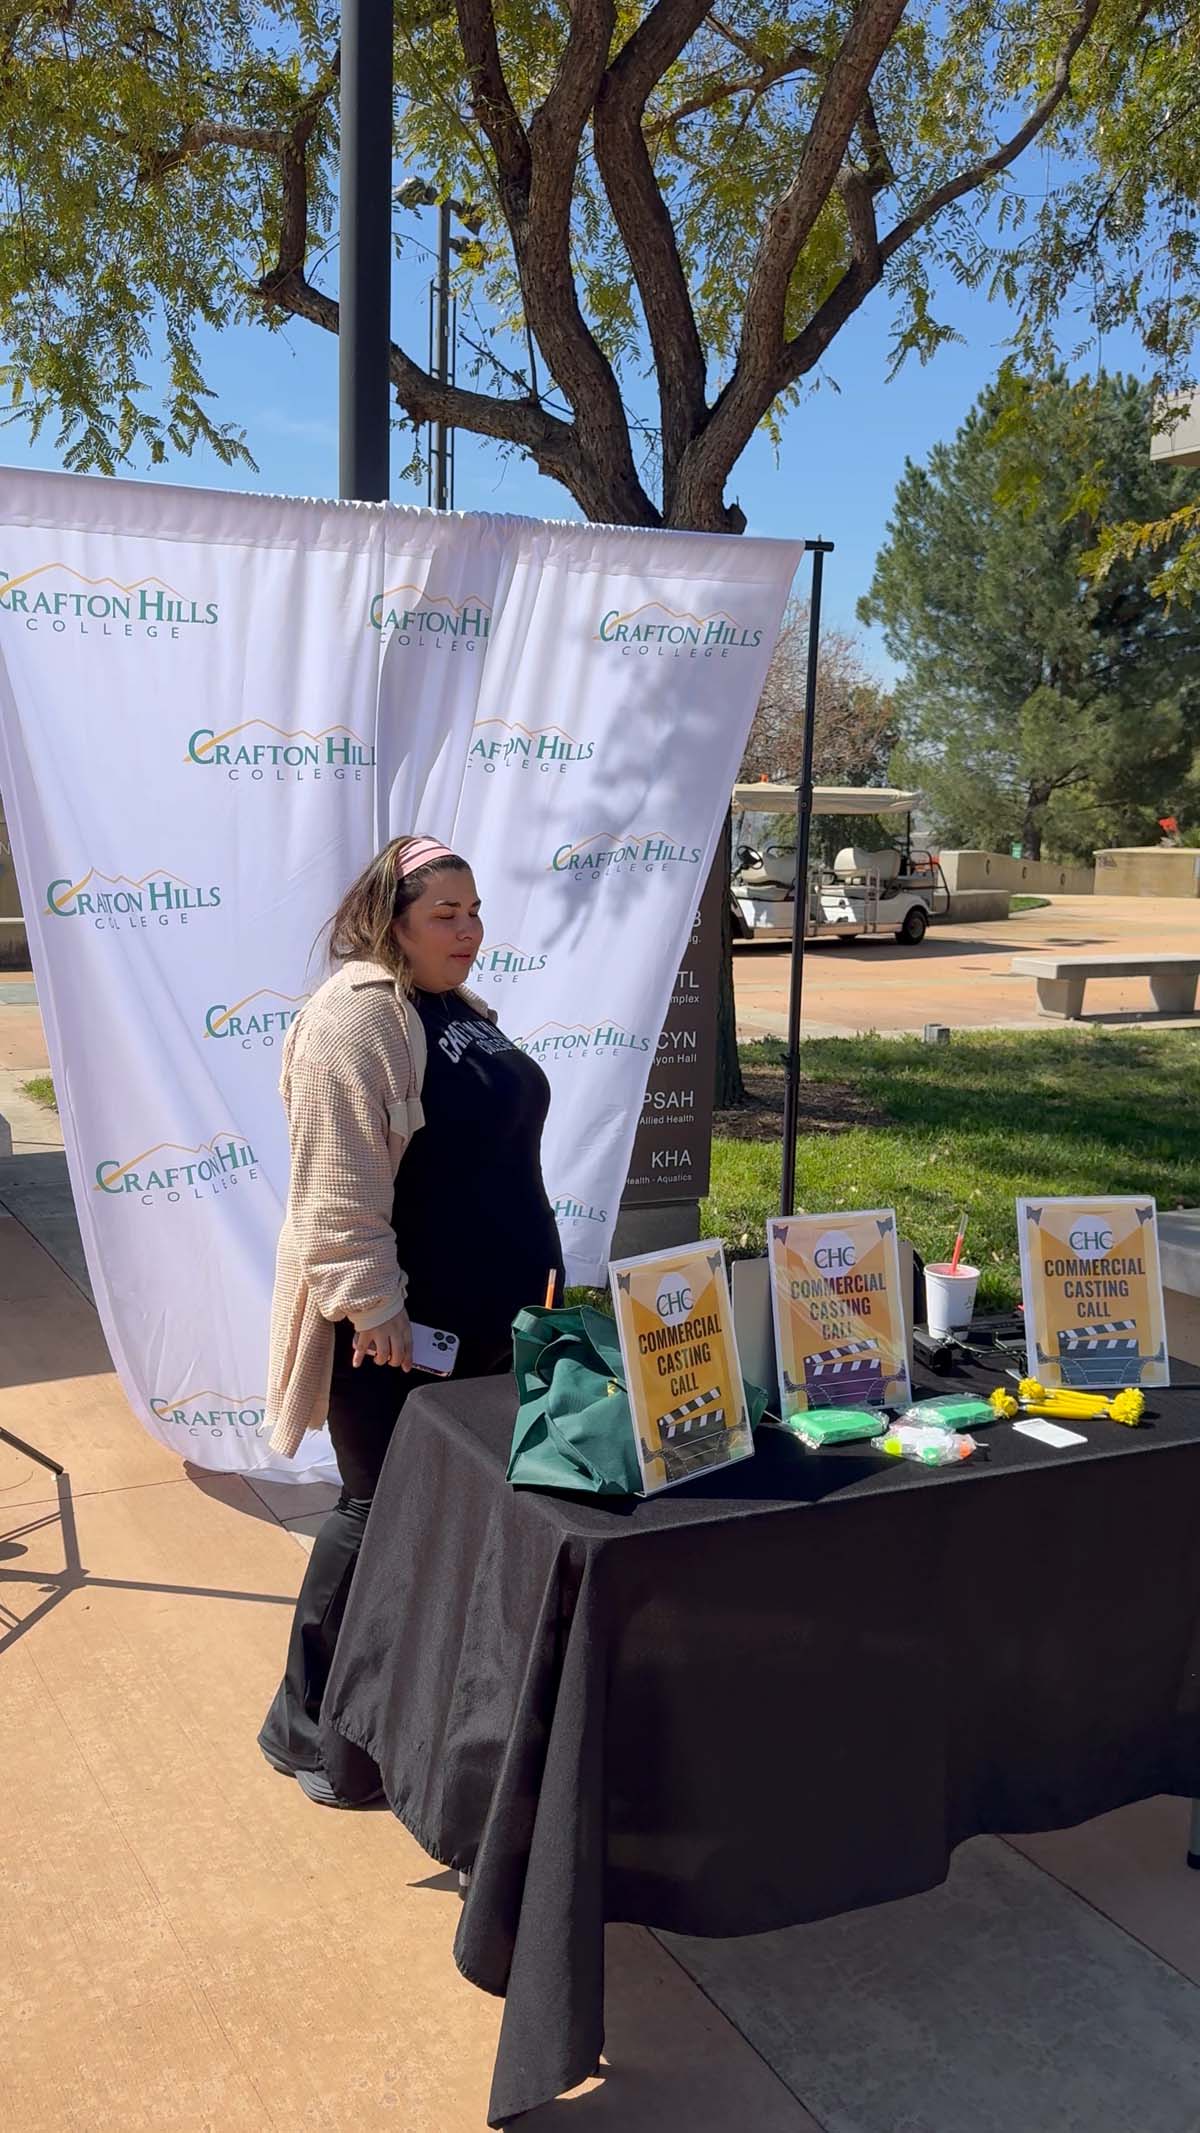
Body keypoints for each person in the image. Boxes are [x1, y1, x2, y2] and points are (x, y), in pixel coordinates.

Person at [258, 833, 563, 1805]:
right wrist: (372, 1308)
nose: (470, 930)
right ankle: (304, 1727)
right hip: (400, 1333)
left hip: (492, 1322)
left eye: (475, 912)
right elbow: (332, 1191)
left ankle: (401, 1715)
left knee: (450, 1521)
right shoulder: (354, 1019)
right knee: (375, 1512)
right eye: (446, 914)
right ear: (391, 921)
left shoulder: (451, 1009)